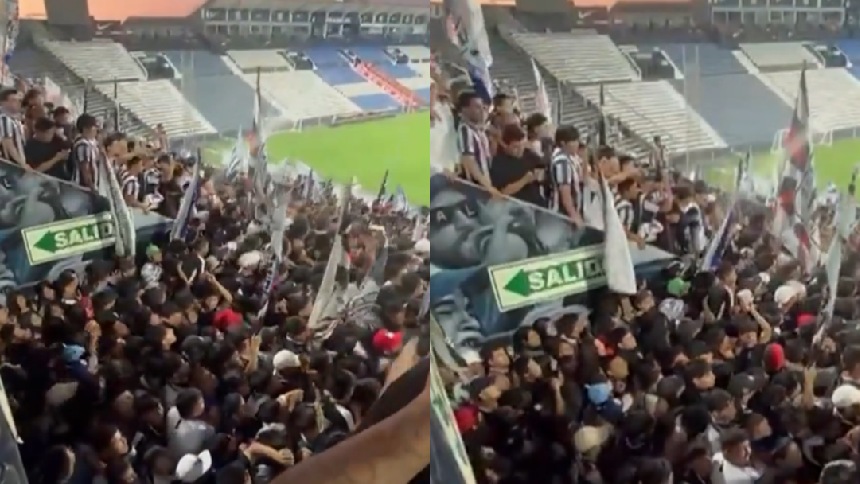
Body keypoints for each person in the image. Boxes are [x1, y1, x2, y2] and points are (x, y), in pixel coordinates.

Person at [489, 124, 544, 206]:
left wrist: (540, 175)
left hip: (536, 204)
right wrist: (525, 180)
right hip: (514, 206)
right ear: (505, 145)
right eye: (515, 147)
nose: (520, 150)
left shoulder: (530, 155)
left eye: (522, 146)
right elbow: (503, 192)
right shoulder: (499, 162)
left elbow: (542, 170)